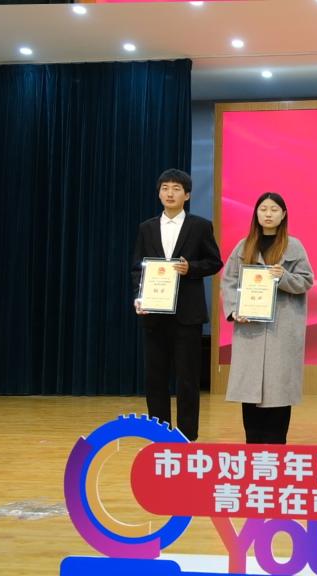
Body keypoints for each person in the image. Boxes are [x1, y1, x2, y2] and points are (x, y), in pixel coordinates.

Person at [132, 168, 223, 441]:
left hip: (187, 314)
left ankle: (186, 436)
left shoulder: (200, 226)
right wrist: (139, 297)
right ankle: (159, 435)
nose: (170, 193)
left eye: (176, 189)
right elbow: (138, 268)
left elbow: (214, 262)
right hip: (155, 312)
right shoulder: (147, 227)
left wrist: (190, 268)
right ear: (159, 193)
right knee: (155, 378)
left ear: (187, 195)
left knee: (187, 379)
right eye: (165, 188)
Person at [221, 193, 313, 444]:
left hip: (281, 331)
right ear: (256, 214)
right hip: (250, 329)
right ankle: (253, 450)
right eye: (263, 209)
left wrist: (283, 277)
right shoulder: (244, 246)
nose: (268, 214)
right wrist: (234, 309)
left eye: (274, 209)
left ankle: (276, 450)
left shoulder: (294, 246)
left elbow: (306, 281)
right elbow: (229, 281)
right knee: (250, 394)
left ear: (283, 214)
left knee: (278, 394)